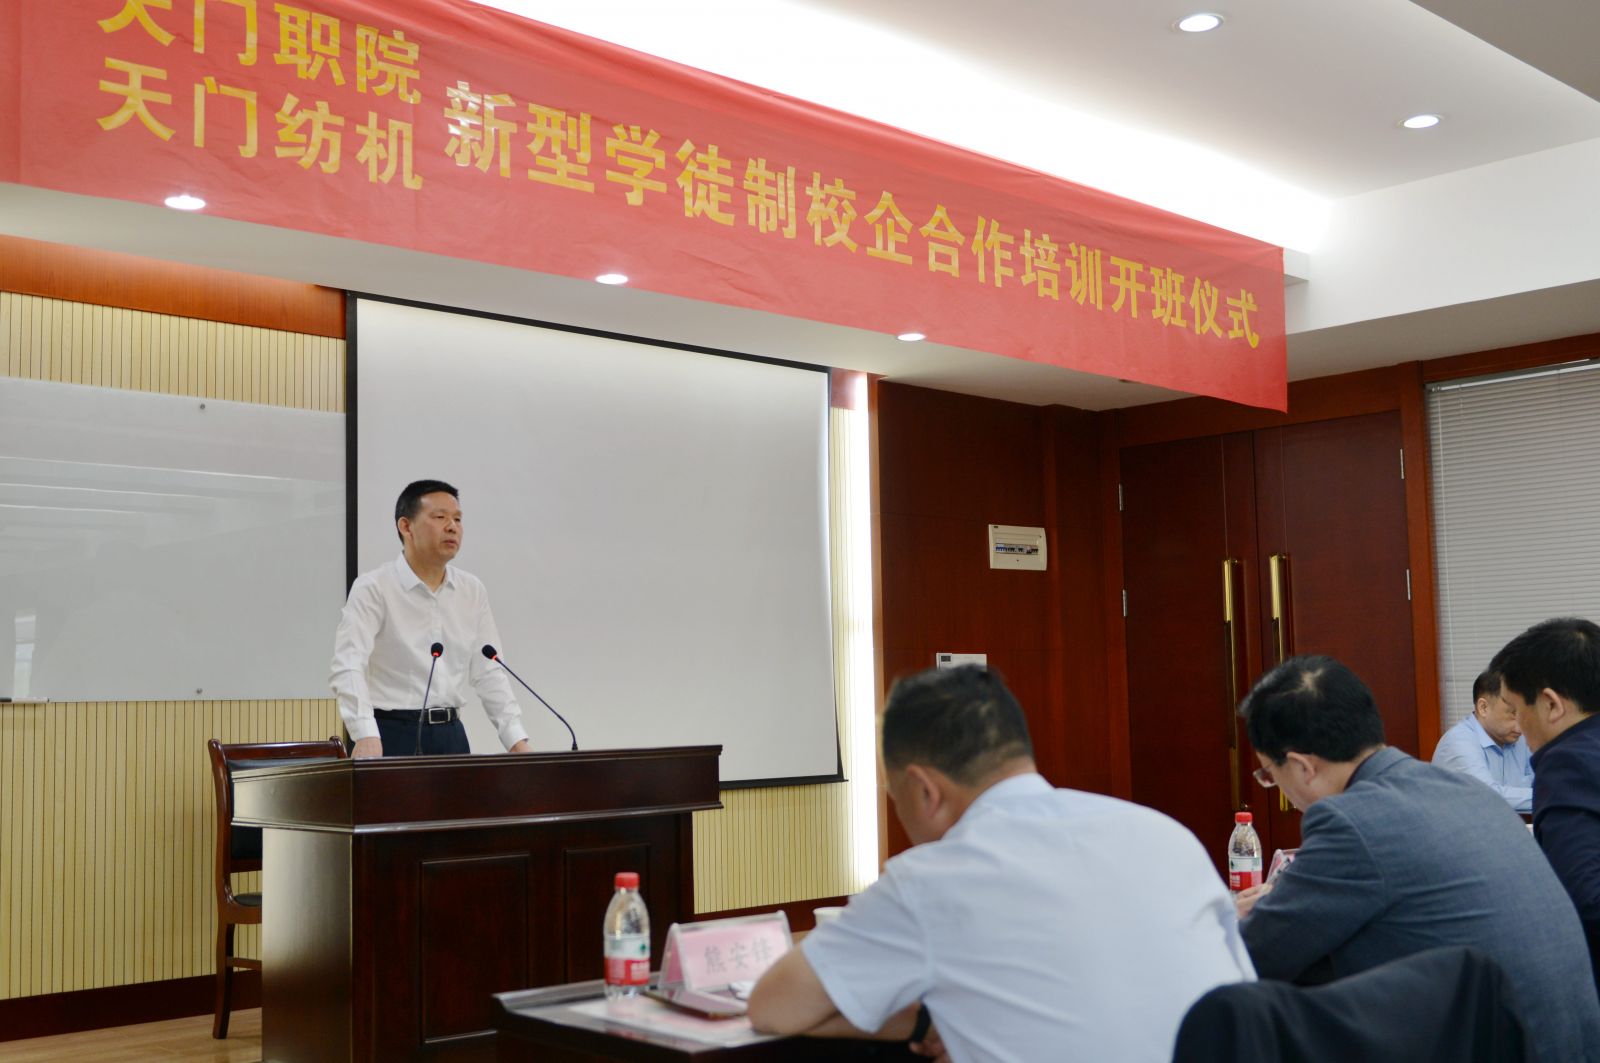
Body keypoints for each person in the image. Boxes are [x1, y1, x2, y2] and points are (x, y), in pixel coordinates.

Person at [748, 665, 1255, 1063]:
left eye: (893, 796)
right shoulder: (1162, 833)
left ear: (924, 791)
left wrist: (923, 1021)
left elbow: (773, 1007)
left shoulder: (933, 879)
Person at [1235, 654, 1600, 1063]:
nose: (1275, 785)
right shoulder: (1463, 790)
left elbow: (1255, 954)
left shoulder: (1351, 820)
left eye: (1269, 774)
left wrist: (1234, 913)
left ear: (1301, 766)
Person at [330, 479, 531, 758]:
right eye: (440, 517)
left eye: (457, 519)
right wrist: (365, 733)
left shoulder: (471, 590)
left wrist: (516, 740)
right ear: (406, 526)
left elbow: (489, 672)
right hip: (389, 734)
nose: (452, 527)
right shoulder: (374, 588)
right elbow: (349, 664)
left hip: (451, 735)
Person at [1491, 617, 1600, 993]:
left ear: (1551, 705)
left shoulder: (1568, 762)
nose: (1518, 725)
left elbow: (1585, 899)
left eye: (1515, 708)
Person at [1431, 667, 1534, 812]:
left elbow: (1545, 782)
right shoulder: (1458, 742)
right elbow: (1487, 797)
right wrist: (1553, 798)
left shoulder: (1519, 738)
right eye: (1513, 714)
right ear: (1483, 708)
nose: (1521, 726)